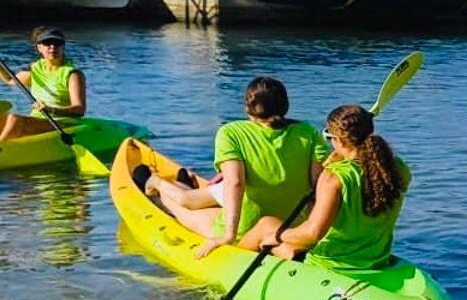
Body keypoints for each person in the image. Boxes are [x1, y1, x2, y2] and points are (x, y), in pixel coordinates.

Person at [141, 75, 328, 259]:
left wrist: (228, 236)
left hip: (245, 230)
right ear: (285, 104)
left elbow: (236, 182)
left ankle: (155, 183)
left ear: (248, 106)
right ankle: (166, 184)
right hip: (295, 229)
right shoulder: (308, 131)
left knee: (182, 209)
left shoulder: (231, 132)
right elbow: (317, 187)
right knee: (196, 201)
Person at [266, 104, 410, 269]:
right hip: (376, 259)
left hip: (330, 264)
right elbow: (368, 175)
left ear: (339, 140)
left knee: (266, 230)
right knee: (268, 224)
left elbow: (313, 233)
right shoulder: (398, 168)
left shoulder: (334, 177)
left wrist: (278, 236)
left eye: (330, 138)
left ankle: (231, 267)